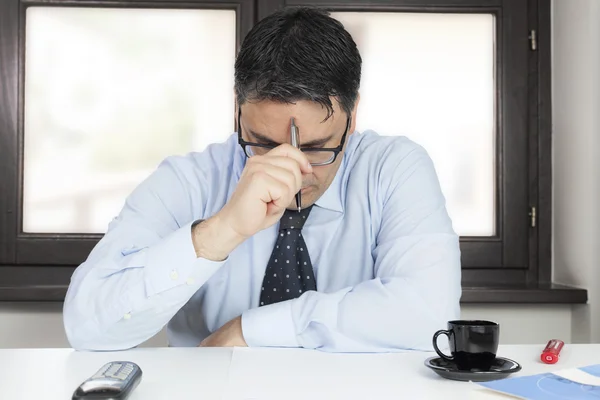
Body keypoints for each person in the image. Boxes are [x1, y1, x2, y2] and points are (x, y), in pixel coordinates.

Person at [63, 6, 461, 352]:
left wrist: (252, 330)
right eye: (263, 144)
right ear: (238, 111)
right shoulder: (187, 181)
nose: (293, 169)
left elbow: (429, 311)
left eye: (318, 147)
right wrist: (221, 231)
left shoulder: (394, 169)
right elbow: (87, 326)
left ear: (353, 116)